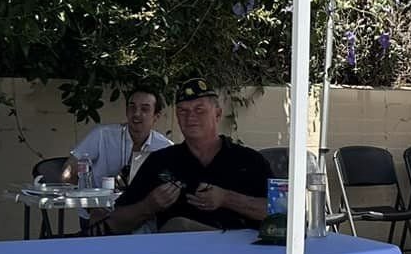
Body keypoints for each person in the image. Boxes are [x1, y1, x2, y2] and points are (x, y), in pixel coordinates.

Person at [103, 80, 271, 234]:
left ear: (218, 115)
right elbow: (115, 222)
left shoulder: (250, 161)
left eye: (199, 110)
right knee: (177, 226)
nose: (190, 117)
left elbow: (280, 213)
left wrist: (226, 198)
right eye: (183, 111)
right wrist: (148, 205)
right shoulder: (161, 161)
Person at [62, 87, 170, 230]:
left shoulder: (165, 147)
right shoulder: (102, 135)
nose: (136, 114)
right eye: (132, 107)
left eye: (145, 109)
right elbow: (67, 174)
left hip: (142, 216)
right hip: (100, 213)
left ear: (156, 116)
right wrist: (92, 206)